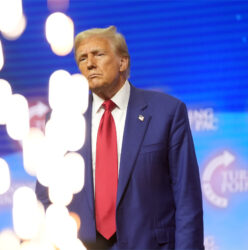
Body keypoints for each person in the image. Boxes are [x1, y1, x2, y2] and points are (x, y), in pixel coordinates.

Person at [36, 26, 204, 249]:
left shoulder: (167, 113)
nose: (89, 64)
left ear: (123, 62)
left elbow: (187, 201)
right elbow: (47, 195)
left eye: (98, 54)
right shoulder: (63, 119)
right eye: (82, 58)